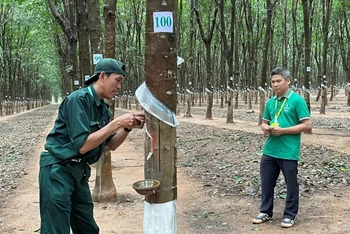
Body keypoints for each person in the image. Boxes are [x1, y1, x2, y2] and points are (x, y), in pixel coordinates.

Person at [39, 58, 145, 234]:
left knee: (87, 228)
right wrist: (118, 122)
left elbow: (110, 145)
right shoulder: (78, 100)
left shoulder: (103, 109)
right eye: (117, 80)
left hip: (79, 172)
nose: (119, 86)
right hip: (57, 171)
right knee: (56, 230)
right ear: (103, 76)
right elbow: (82, 145)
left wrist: (127, 128)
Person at [252, 67, 311, 228]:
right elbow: (265, 122)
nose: (275, 85)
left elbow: (306, 125)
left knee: (291, 184)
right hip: (270, 150)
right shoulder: (271, 102)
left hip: (288, 151)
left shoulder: (297, 101)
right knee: (266, 182)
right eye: (272, 82)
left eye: (278, 81)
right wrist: (265, 127)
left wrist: (284, 131)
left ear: (288, 81)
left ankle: (290, 215)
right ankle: (265, 211)